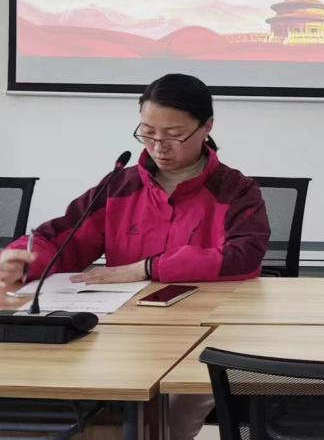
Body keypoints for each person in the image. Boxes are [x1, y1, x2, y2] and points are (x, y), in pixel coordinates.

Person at [0, 72, 270, 440]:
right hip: (124, 332)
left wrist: (147, 268)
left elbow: (243, 256)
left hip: (203, 334)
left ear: (207, 127)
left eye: (174, 135)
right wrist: (20, 258)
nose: (159, 147)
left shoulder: (236, 190)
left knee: (171, 416)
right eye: (148, 133)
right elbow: (64, 237)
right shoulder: (120, 185)